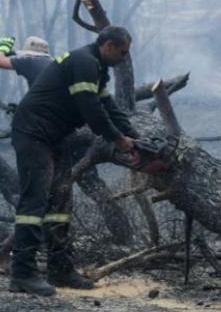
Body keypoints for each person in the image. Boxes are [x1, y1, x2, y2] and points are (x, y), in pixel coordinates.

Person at [8, 26, 140, 296]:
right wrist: (117, 139)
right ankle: (22, 274)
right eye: (122, 52)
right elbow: (90, 109)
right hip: (34, 134)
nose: (124, 58)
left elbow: (109, 107)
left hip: (54, 136)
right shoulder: (84, 62)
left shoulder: (97, 68)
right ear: (108, 46)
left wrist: (135, 136)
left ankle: (60, 269)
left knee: (60, 200)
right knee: (33, 202)